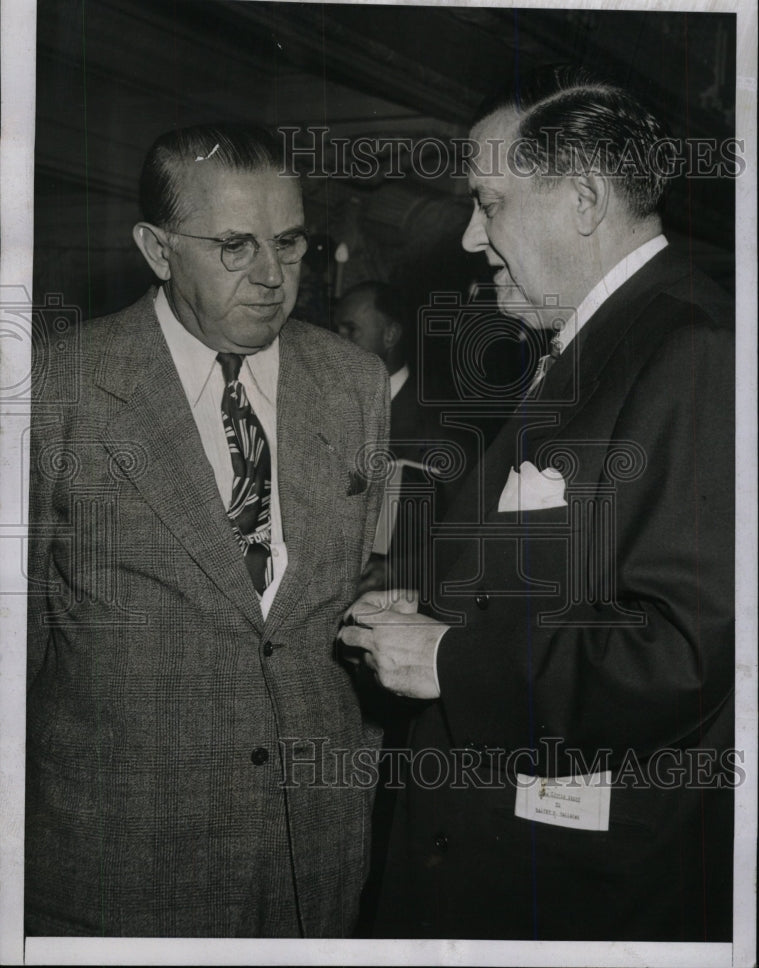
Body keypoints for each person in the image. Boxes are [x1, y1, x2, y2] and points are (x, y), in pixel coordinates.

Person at [340, 67, 734, 941]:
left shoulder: (692, 346)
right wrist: (442, 612)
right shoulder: (603, 339)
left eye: (489, 202)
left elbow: (679, 651)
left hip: (574, 881)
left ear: (584, 199)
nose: (473, 238)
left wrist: (451, 662)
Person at [25, 123, 389, 938]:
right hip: (115, 867)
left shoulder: (354, 385)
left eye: (289, 243)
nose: (270, 276)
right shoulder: (56, 393)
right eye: (232, 246)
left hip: (312, 866)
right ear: (157, 249)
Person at [335, 281, 453, 594]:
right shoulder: (328, 412)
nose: (336, 342)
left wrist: (397, 570)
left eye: (350, 330)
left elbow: (471, 534)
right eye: (336, 330)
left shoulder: (440, 429)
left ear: (390, 335)